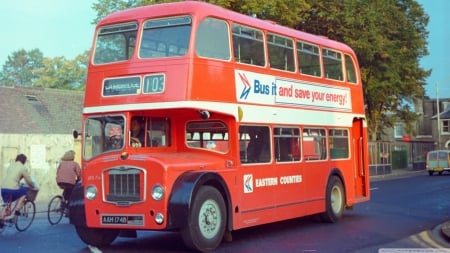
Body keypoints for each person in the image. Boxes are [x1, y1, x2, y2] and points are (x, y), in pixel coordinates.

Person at [1, 154, 37, 220]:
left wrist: (18, 182)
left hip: (3, 189)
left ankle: (2, 219)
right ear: (24, 161)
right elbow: (28, 180)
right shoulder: (23, 168)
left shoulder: (11, 165)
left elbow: (12, 177)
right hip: (12, 189)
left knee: (7, 204)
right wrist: (33, 186)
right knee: (24, 192)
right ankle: (17, 210)